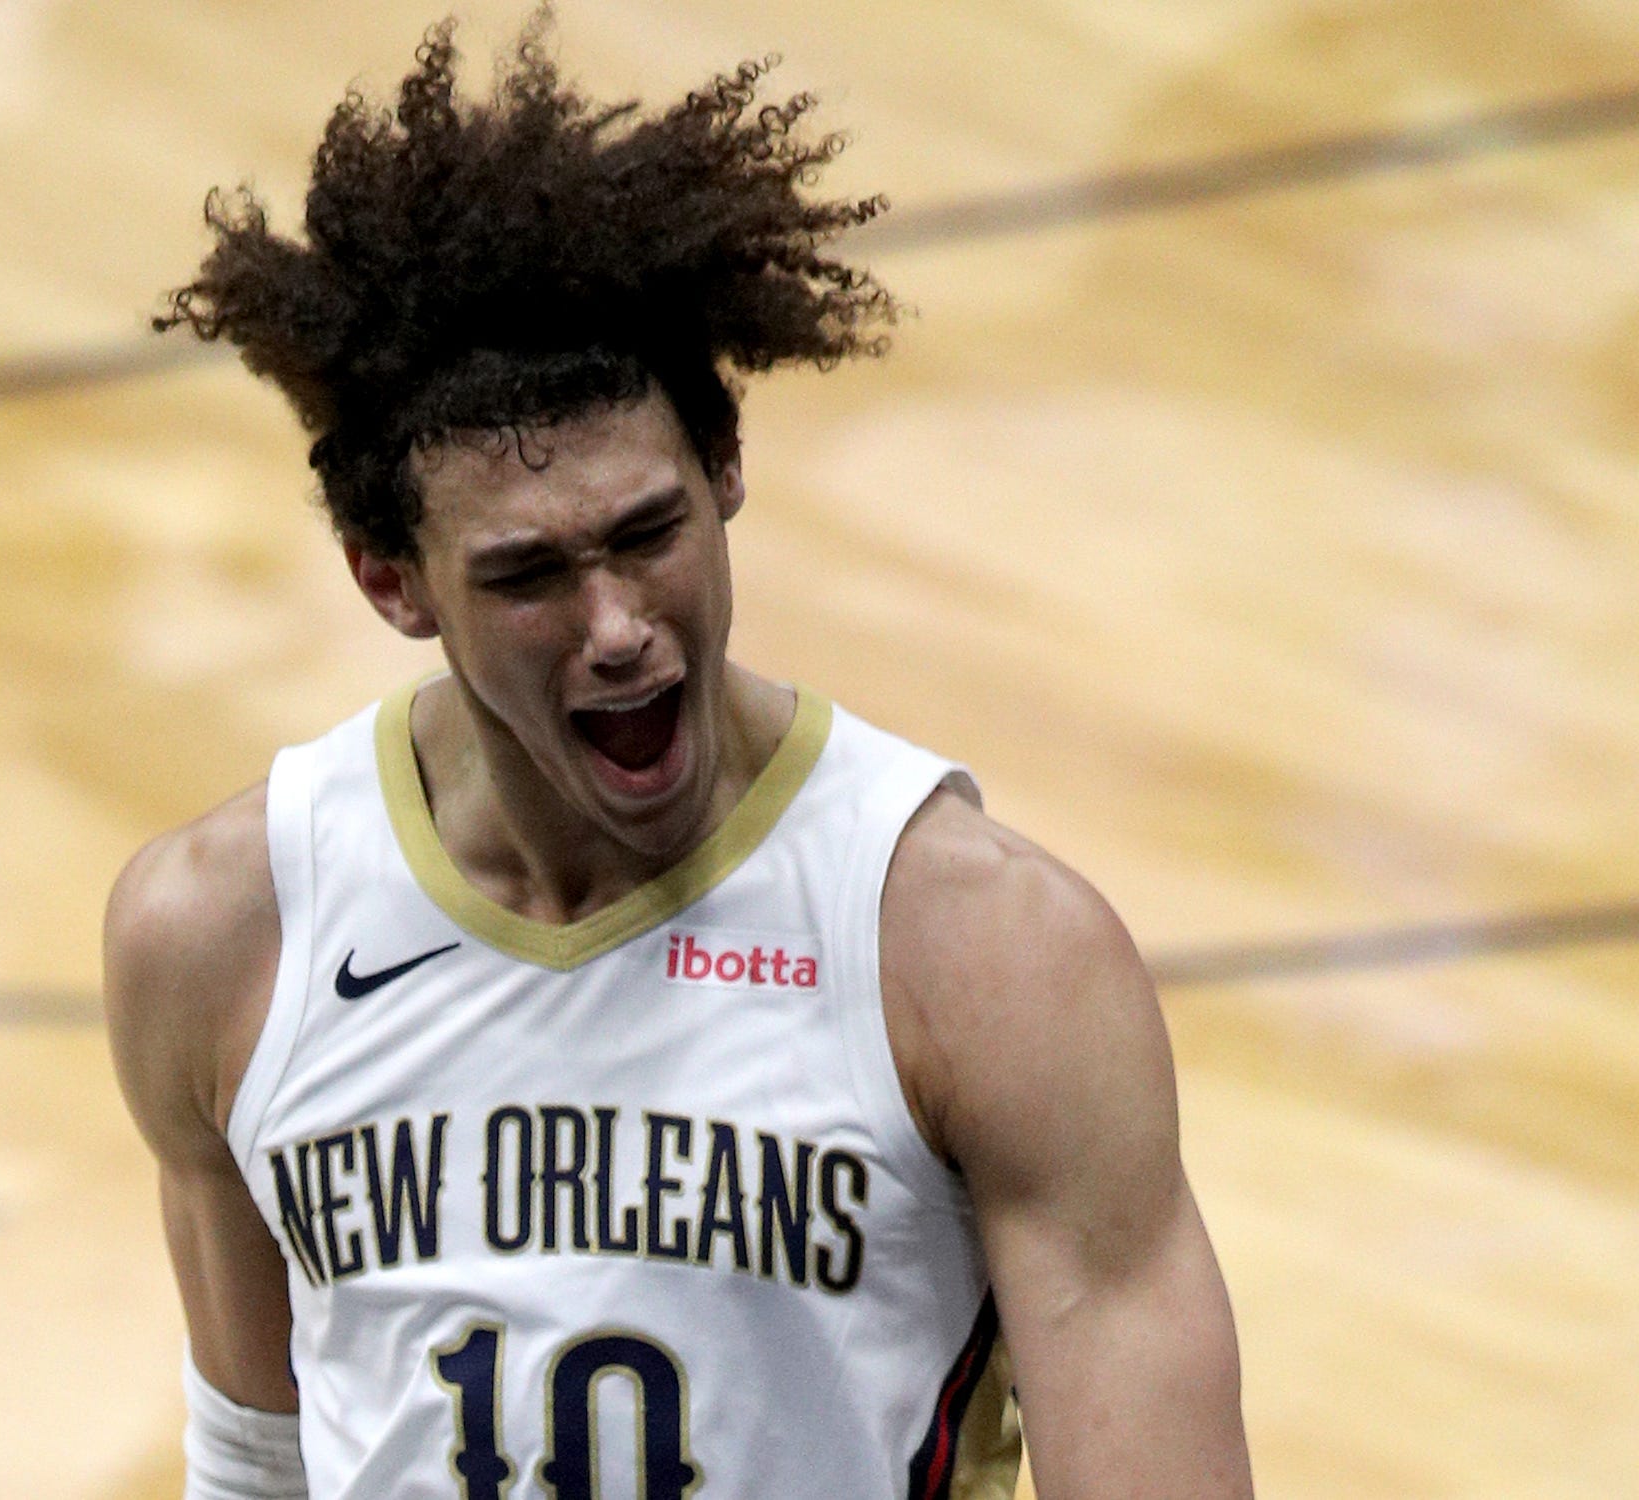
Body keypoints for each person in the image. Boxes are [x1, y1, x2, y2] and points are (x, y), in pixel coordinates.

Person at [105, 15, 1254, 1499]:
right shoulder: (219, 940)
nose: (618, 628)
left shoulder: (983, 956)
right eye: (527, 577)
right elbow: (257, 1465)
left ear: (725, 470)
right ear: (391, 583)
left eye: (649, 537)